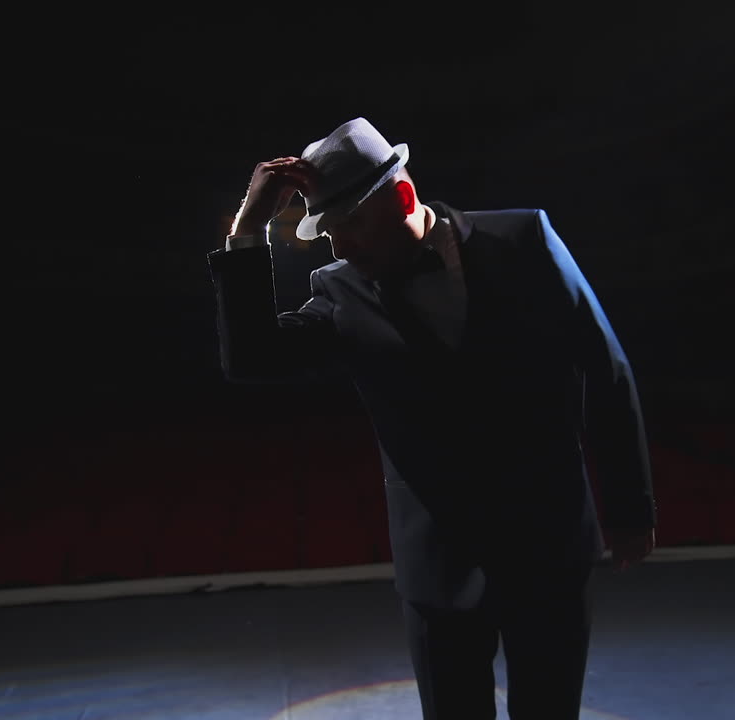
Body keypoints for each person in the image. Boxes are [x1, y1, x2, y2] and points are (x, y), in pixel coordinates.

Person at [208, 117, 656, 720]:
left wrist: (628, 509)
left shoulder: (524, 240)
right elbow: (254, 362)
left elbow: (605, 366)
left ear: (402, 195)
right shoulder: (339, 292)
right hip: (437, 571)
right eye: (330, 232)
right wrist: (246, 230)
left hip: (548, 549)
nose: (339, 247)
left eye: (350, 225)